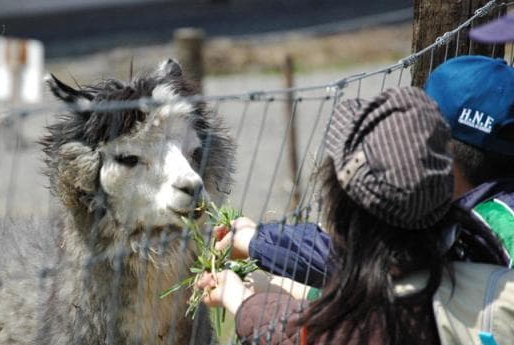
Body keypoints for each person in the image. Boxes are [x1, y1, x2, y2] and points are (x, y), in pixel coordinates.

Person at [198, 86, 494, 345]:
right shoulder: (484, 277)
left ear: (346, 212)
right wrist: (242, 299)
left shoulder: (366, 328)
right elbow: (316, 333)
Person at [218, 55, 514, 288]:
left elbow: (365, 263)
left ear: (441, 151)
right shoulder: (491, 207)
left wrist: (255, 242)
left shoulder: (475, 233)